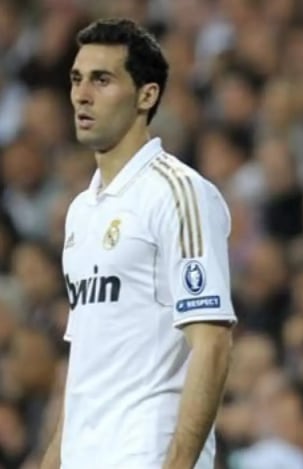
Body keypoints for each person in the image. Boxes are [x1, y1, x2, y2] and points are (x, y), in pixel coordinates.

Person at [40, 18, 236, 469]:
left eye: (102, 80)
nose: (81, 95)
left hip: (144, 455)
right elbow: (89, 360)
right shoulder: (81, 212)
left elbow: (212, 342)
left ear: (146, 95)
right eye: (76, 79)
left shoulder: (178, 193)